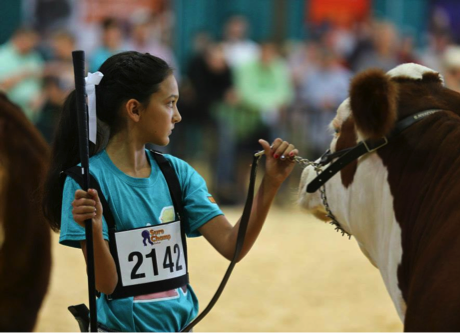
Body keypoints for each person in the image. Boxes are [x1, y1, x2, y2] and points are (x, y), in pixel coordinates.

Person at [42, 51, 299, 332]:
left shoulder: (178, 173)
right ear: (135, 110)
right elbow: (106, 284)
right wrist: (92, 230)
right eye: (170, 103)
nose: (177, 116)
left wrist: (270, 184)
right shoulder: (86, 182)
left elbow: (231, 245)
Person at [0, 27, 44, 122]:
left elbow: (41, 81)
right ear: (19, 38)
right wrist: (24, 74)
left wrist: (41, 97)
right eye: (30, 41)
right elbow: (2, 86)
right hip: (8, 117)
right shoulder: (2, 56)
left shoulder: (34, 56)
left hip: (30, 116)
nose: (32, 45)